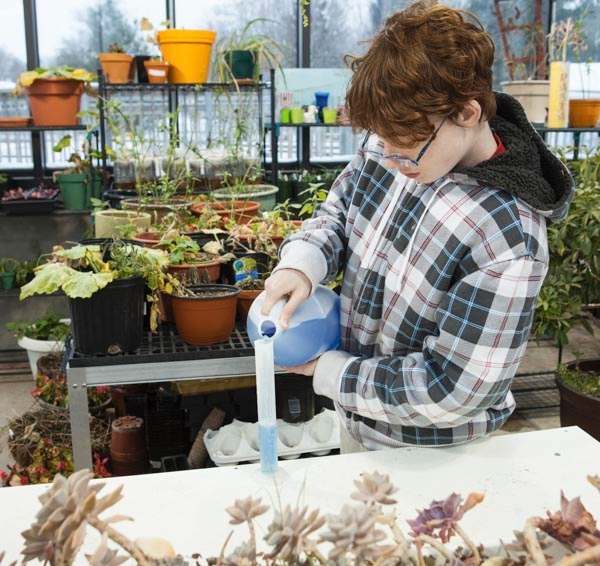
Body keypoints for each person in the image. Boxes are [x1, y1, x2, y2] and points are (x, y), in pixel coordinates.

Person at [261, 0, 574, 451]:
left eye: (405, 149)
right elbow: (341, 211)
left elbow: (454, 390)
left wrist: (332, 373)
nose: (388, 157)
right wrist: (303, 263)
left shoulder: (506, 234)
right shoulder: (398, 138)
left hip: (436, 452)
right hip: (359, 422)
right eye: (381, 141)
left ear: (466, 113)